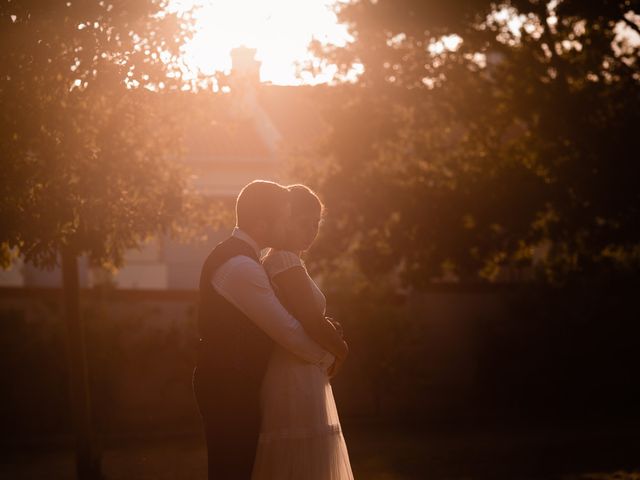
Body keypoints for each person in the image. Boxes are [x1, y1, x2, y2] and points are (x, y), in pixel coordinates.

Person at [193, 180, 340, 479]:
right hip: (227, 387)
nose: (288, 226)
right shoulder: (240, 267)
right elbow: (287, 331)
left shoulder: (246, 260)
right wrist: (330, 356)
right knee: (232, 470)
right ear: (262, 224)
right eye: (285, 218)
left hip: (237, 384)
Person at [252, 184, 354, 480]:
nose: (311, 230)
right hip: (293, 375)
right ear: (285, 218)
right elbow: (310, 319)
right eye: (303, 222)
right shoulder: (284, 260)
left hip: (301, 370)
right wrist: (342, 350)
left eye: (316, 223)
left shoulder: (285, 261)